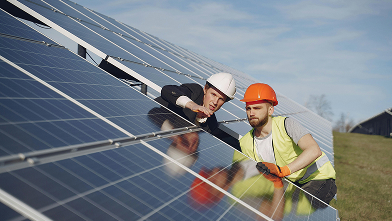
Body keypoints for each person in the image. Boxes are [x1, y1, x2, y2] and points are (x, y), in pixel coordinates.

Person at [239, 83, 337, 209]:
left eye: (257, 108)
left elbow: (314, 150)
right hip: (290, 184)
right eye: (248, 108)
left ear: (270, 110)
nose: (251, 113)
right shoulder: (246, 142)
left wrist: (283, 171)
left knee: (303, 209)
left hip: (318, 178)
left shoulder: (286, 125)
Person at [150, 72, 241, 151]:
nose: (215, 102)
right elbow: (168, 90)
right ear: (205, 89)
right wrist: (192, 105)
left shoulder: (211, 124)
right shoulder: (195, 92)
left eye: (221, 99)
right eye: (213, 94)